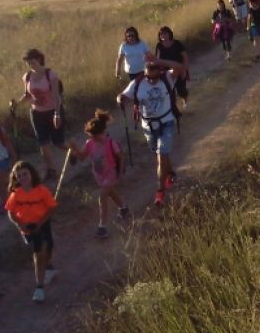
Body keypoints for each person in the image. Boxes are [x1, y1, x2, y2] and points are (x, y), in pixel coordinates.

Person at [117, 61, 178, 206]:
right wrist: (120, 99)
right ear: (145, 74)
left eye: (155, 77)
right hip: (148, 126)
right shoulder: (137, 83)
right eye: (148, 77)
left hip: (167, 121)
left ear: (160, 73)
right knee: (161, 154)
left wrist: (159, 60)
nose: (151, 80)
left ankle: (160, 192)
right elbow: (123, 96)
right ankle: (171, 174)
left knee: (161, 155)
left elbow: (180, 68)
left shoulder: (167, 77)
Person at [66, 110, 128, 238]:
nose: (92, 138)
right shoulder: (90, 143)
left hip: (111, 174)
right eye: (91, 136)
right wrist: (74, 148)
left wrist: (121, 172)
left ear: (102, 132)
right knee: (110, 193)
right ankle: (123, 208)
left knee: (102, 197)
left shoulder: (111, 143)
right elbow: (82, 157)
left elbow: (121, 157)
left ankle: (102, 226)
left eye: (95, 136)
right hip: (99, 175)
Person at [5, 160, 58, 303]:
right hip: (27, 228)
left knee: (42, 252)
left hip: (42, 224)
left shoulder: (42, 191)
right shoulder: (15, 195)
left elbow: (52, 207)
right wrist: (19, 225)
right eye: (19, 176)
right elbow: (10, 212)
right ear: (16, 178)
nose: (23, 178)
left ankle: (39, 288)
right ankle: (47, 269)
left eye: (25, 174)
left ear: (32, 174)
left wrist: (40, 223)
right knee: (40, 253)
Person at [14, 48, 64, 181]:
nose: (30, 64)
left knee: (58, 142)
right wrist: (17, 103)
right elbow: (27, 96)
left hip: (52, 111)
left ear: (39, 59)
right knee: (43, 142)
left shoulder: (50, 74)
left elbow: (56, 96)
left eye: (32, 61)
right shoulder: (27, 77)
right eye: (28, 62)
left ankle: (74, 151)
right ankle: (51, 170)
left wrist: (57, 115)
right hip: (36, 113)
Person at [154, 26, 189, 107]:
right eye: (161, 34)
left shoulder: (177, 43)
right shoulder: (159, 45)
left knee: (181, 90)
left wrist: (185, 69)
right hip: (166, 72)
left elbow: (185, 56)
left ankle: (185, 101)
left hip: (179, 69)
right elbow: (157, 60)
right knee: (169, 90)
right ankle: (173, 108)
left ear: (169, 34)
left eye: (165, 34)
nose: (163, 36)